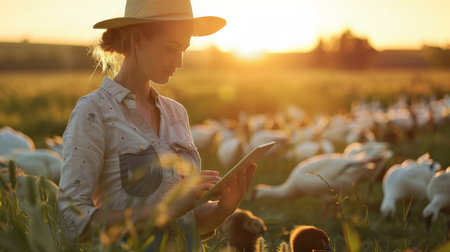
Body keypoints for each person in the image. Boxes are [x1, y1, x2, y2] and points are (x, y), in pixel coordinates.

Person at [57, 0, 257, 251]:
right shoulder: (93, 112)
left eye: (183, 49)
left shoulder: (176, 113)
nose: (179, 61)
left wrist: (223, 209)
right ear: (137, 39)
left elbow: (184, 221)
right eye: (171, 48)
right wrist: (162, 209)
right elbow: (71, 221)